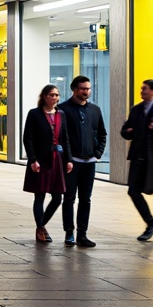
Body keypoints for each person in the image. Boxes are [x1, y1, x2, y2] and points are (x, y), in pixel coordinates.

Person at [59, 75, 107, 248]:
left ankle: (82, 234)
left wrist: (98, 153)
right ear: (74, 89)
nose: (86, 91)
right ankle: (69, 233)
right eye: (82, 88)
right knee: (69, 198)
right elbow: (61, 137)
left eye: (88, 88)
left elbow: (102, 133)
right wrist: (68, 158)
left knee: (86, 199)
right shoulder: (63, 110)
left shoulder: (95, 110)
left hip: (89, 163)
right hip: (71, 163)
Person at [22, 85, 72, 243]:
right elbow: (27, 138)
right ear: (44, 96)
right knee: (40, 195)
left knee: (58, 197)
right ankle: (40, 228)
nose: (55, 98)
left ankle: (41, 225)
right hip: (41, 160)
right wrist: (32, 159)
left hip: (58, 159)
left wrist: (69, 159)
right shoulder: (34, 114)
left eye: (57, 95)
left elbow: (66, 138)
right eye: (52, 95)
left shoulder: (61, 114)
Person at [121, 79, 153, 242]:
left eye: (145, 89)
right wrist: (128, 131)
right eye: (141, 88)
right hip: (138, 157)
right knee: (133, 191)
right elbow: (125, 130)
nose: (142, 91)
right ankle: (150, 223)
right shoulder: (136, 109)